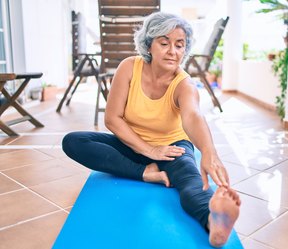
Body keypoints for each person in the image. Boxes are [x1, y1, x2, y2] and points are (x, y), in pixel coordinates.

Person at [62, 12, 241, 248]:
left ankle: (213, 222)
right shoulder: (129, 67)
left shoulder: (184, 84)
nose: (172, 51)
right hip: (131, 143)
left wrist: (208, 151)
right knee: (73, 141)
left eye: (179, 45)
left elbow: (193, 116)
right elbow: (112, 119)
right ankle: (146, 173)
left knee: (190, 182)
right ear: (149, 44)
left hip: (171, 147)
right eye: (164, 43)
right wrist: (148, 151)